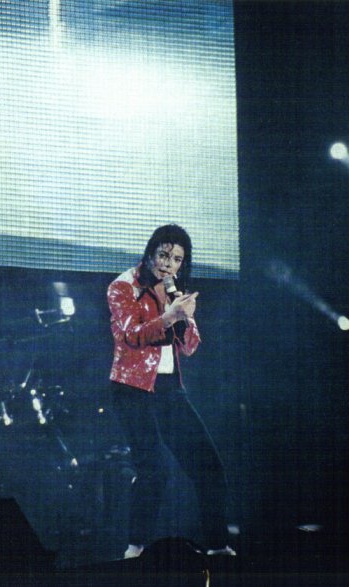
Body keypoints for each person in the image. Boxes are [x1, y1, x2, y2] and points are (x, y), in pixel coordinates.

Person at [107, 224, 235, 558]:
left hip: (168, 389)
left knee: (209, 467)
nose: (168, 264)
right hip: (132, 389)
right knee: (154, 470)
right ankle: (135, 548)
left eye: (177, 259)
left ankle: (218, 546)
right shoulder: (123, 286)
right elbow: (131, 336)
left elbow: (190, 347)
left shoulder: (175, 291)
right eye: (164, 255)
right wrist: (168, 317)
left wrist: (185, 317)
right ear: (150, 253)